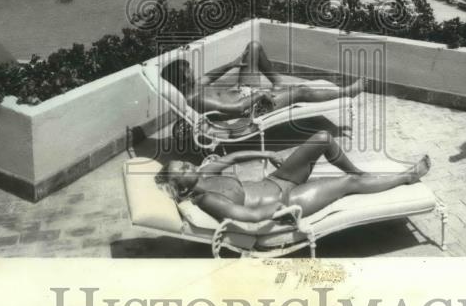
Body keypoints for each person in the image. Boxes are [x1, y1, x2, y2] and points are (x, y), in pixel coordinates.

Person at [156, 130, 430, 223]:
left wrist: (267, 154)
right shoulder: (206, 199)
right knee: (348, 185)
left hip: (277, 179)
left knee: (322, 138)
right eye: (182, 170)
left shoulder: (204, 173)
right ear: (180, 189)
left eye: (183, 163)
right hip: (287, 200)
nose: (188, 166)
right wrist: (279, 211)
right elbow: (248, 217)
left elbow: (234, 158)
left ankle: (360, 171)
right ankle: (406, 177)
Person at [160, 40, 363, 120]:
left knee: (254, 48)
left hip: (243, 92)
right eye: (190, 72)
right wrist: (259, 94)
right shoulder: (198, 100)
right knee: (300, 91)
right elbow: (237, 109)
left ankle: (277, 82)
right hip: (252, 108)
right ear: (184, 82)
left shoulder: (193, 88)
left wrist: (231, 64)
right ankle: (347, 92)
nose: (194, 73)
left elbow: (210, 76)